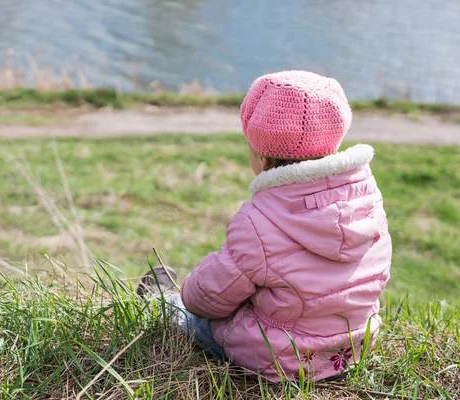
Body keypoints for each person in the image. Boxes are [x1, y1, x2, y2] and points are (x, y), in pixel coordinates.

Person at [138, 70, 392, 382]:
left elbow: (209, 298)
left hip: (279, 360)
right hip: (352, 347)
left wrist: (190, 293)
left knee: (191, 316)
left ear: (260, 156)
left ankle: (159, 300)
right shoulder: (368, 202)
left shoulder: (258, 223)